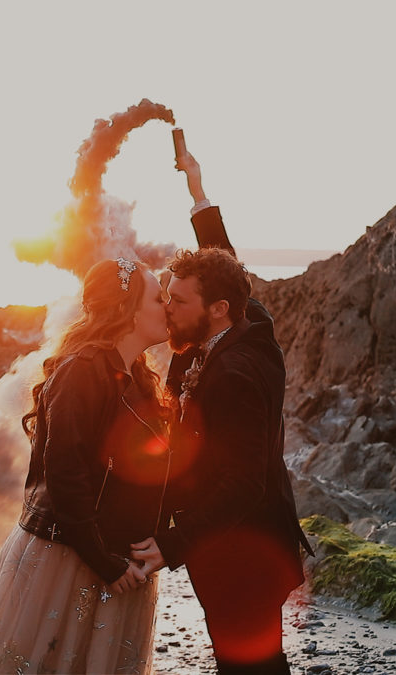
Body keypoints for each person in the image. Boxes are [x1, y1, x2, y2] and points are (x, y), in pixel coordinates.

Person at [131, 151, 314, 675]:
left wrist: (172, 543)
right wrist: (197, 191)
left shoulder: (235, 374)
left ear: (217, 311)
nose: (167, 309)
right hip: (235, 545)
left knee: (249, 665)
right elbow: (227, 267)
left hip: (244, 553)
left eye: (178, 302)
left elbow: (242, 484)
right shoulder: (242, 322)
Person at [0, 257, 172, 675]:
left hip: (120, 559)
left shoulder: (140, 379)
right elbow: (64, 473)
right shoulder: (82, 372)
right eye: (159, 299)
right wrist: (103, 561)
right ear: (128, 310)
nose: (168, 309)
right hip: (71, 555)